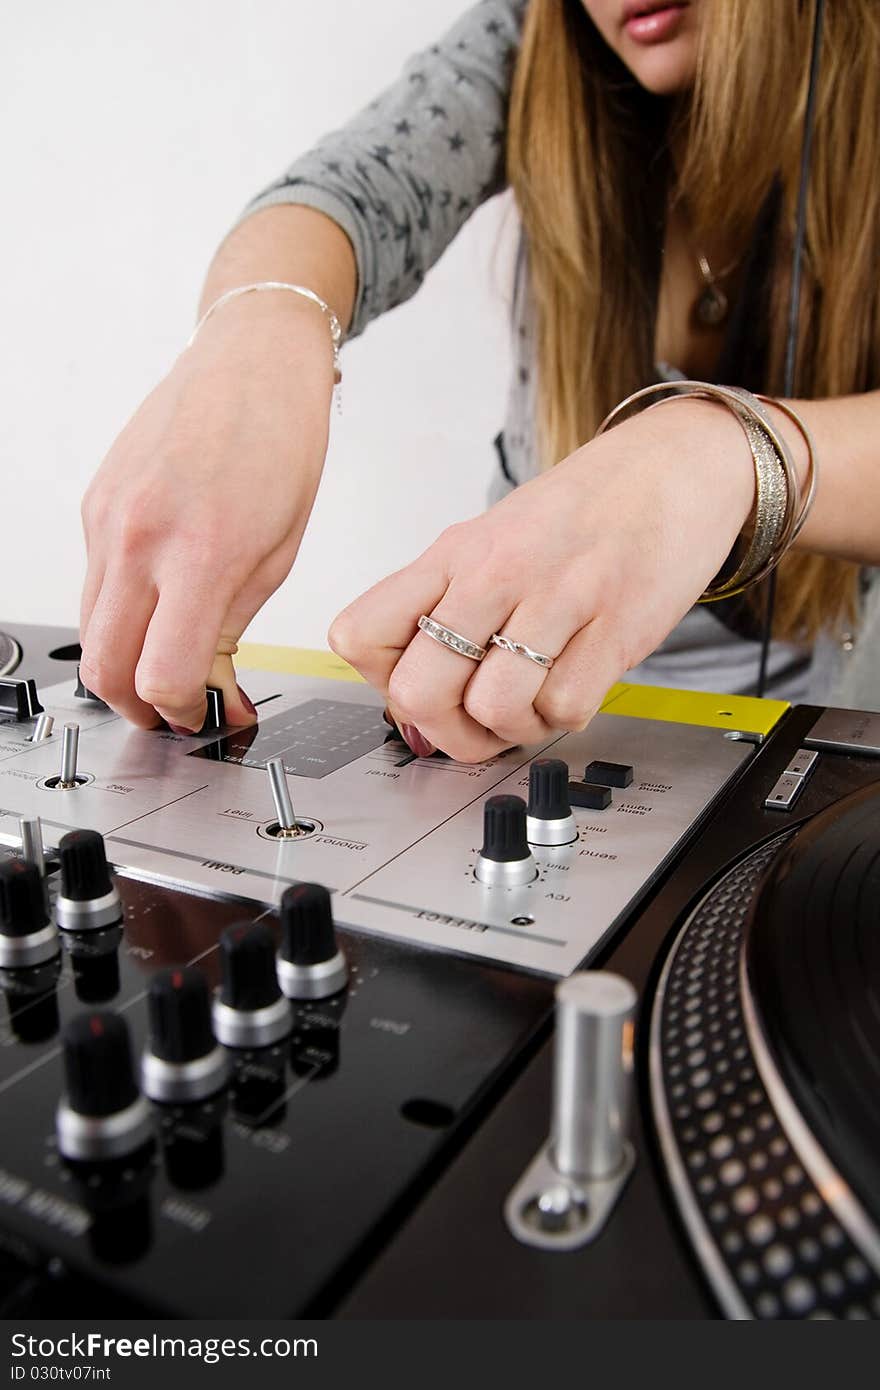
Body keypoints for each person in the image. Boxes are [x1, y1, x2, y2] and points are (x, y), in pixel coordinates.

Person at [78, 0, 880, 762]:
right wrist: (257, 332)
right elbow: (353, 186)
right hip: (511, 727)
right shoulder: (534, 27)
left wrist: (717, 452)